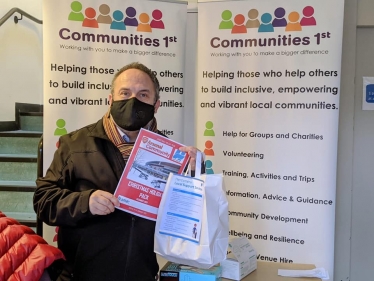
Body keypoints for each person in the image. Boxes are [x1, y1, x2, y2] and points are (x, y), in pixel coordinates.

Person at [33, 62, 203, 281]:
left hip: (142, 273)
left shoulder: (171, 155)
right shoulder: (75, 144)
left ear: (156, 104)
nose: (132, 101)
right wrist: (86, 202)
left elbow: (187, 215)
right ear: (110, 99)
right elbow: (43, 201)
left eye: (143, 94)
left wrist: (195, 173)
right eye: (125, 93)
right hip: (82, 275)